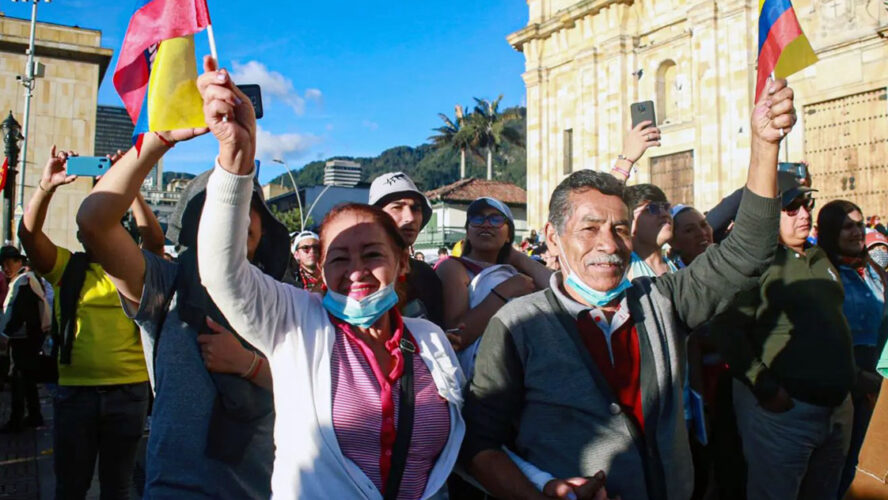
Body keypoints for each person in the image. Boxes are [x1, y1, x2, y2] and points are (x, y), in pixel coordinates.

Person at [459, 79, 795, 500]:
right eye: (589, 228)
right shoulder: (518, 324)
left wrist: (765, 147)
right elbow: (479, 445)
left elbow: (748, 252)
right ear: (552, 237)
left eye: (619, 228)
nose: (608, 243)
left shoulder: (663, 300)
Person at [193, 57, 465, 499]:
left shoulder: (430, 341)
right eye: (339, 257)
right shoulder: (295, 322)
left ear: (401, 263)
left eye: (372, 253)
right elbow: (221, 271)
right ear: (320, 270)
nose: (356, 270)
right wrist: (236, 158)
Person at [76, 132, 280, 494]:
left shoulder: (283, 296)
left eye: (250, 202)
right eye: (223, 203)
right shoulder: (165, 283)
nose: (239, 214)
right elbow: (94, 223)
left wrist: (250, 366)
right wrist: (157, 142)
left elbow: (314, 387)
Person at [17, 147, 158, 499]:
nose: (98, 232)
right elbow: (29, 238)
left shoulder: (137, 269)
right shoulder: (68, 268)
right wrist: (47, 186)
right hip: (76, 393)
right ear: (82, 235)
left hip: (129, 392)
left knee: (117, 487)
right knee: (71, 487)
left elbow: (154, 240)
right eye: (91, 228)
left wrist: (131, 187)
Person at [716, 173, 857, 500]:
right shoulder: (754, 263)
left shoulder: (819, 257)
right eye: (791, 208)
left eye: (806, 204)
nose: (804, 214)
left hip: (836, 412)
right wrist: (765, 387)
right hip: (785, 414)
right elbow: (727, 331)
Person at [815, 200, 888, 496]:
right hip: (846, 383)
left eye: (860, 225)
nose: (857, 232)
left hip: (878, 376)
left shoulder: (871, 269)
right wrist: (857, 377)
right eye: (848, 226)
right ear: (832, 231)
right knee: (848, 465)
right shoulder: (824, 271)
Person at [436, 196, 551, 381]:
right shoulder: (454, 268)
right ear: (468, 231)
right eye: (477, 219)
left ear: (509, 235)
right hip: (481, 380)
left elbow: (558, 289)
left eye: (496, 219)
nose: (486, 224)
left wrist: (517, 257)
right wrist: (505, 290)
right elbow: (458, 335)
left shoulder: (516, 272)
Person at [369, 171, 445, 327]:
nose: (409, 217)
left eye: (416, 208)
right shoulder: (357, 274)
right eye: (397, 207)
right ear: (375, 216)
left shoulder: (426, 275)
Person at [0, 246, 49, 433]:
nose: (5, 268)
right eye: (3, 264)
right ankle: (33, 416)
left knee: (19, 378)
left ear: (19, 262)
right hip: (27, 337)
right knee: (27, 379)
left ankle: (17, 419)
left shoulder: (23, 281)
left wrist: (6, 333)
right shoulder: (26, 279)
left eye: (9, 263)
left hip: (23, 338)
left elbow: (21, 311)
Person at [623, 184, 676, 279]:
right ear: (630, 220)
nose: (664, 214)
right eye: (652, 209)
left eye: (666, 207)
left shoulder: (676, 266)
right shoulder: (623, 266)